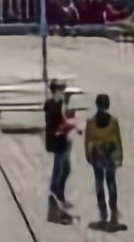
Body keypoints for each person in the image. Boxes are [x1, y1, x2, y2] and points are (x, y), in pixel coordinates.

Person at [85, 94, 126, 231]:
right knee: (111, 183)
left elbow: (88, 141)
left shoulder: (91, 122)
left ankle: (103, 213)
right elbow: (118, 140)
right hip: (109, 156)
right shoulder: (113, 121)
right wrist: (120, 156)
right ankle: (113, 213)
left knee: (99, 184)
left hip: (97, 156)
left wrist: (88, 156)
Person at [45, 79, 76, 224]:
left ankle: (58, 193)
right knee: (60, 169)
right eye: (61, 90)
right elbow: (55, 125)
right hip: (58, 142)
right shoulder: (52, 105)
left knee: (66, 169)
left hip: (63, 141)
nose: (62, 92)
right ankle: (55, 194)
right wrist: (68, 125)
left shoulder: (59, 105)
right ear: (55, 91)